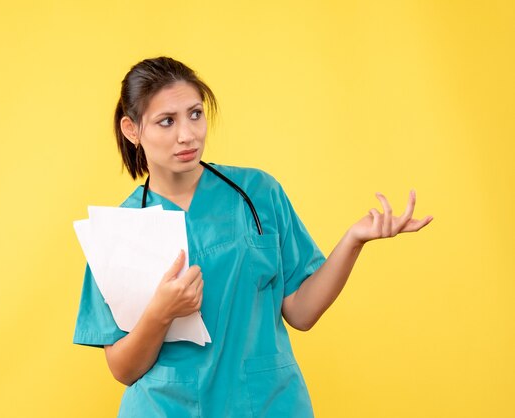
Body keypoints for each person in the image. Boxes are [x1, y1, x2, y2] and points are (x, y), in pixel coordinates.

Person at [73, 56, 433, 417]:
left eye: (195, 114)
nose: (188, 134)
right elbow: (123, 369)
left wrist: (354, 240)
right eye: (167, 121)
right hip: (167, 408)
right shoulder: (119, 230)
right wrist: (160, 313)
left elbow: (301, 312)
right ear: (132, 129)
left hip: (265, 403)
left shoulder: (258, 193)